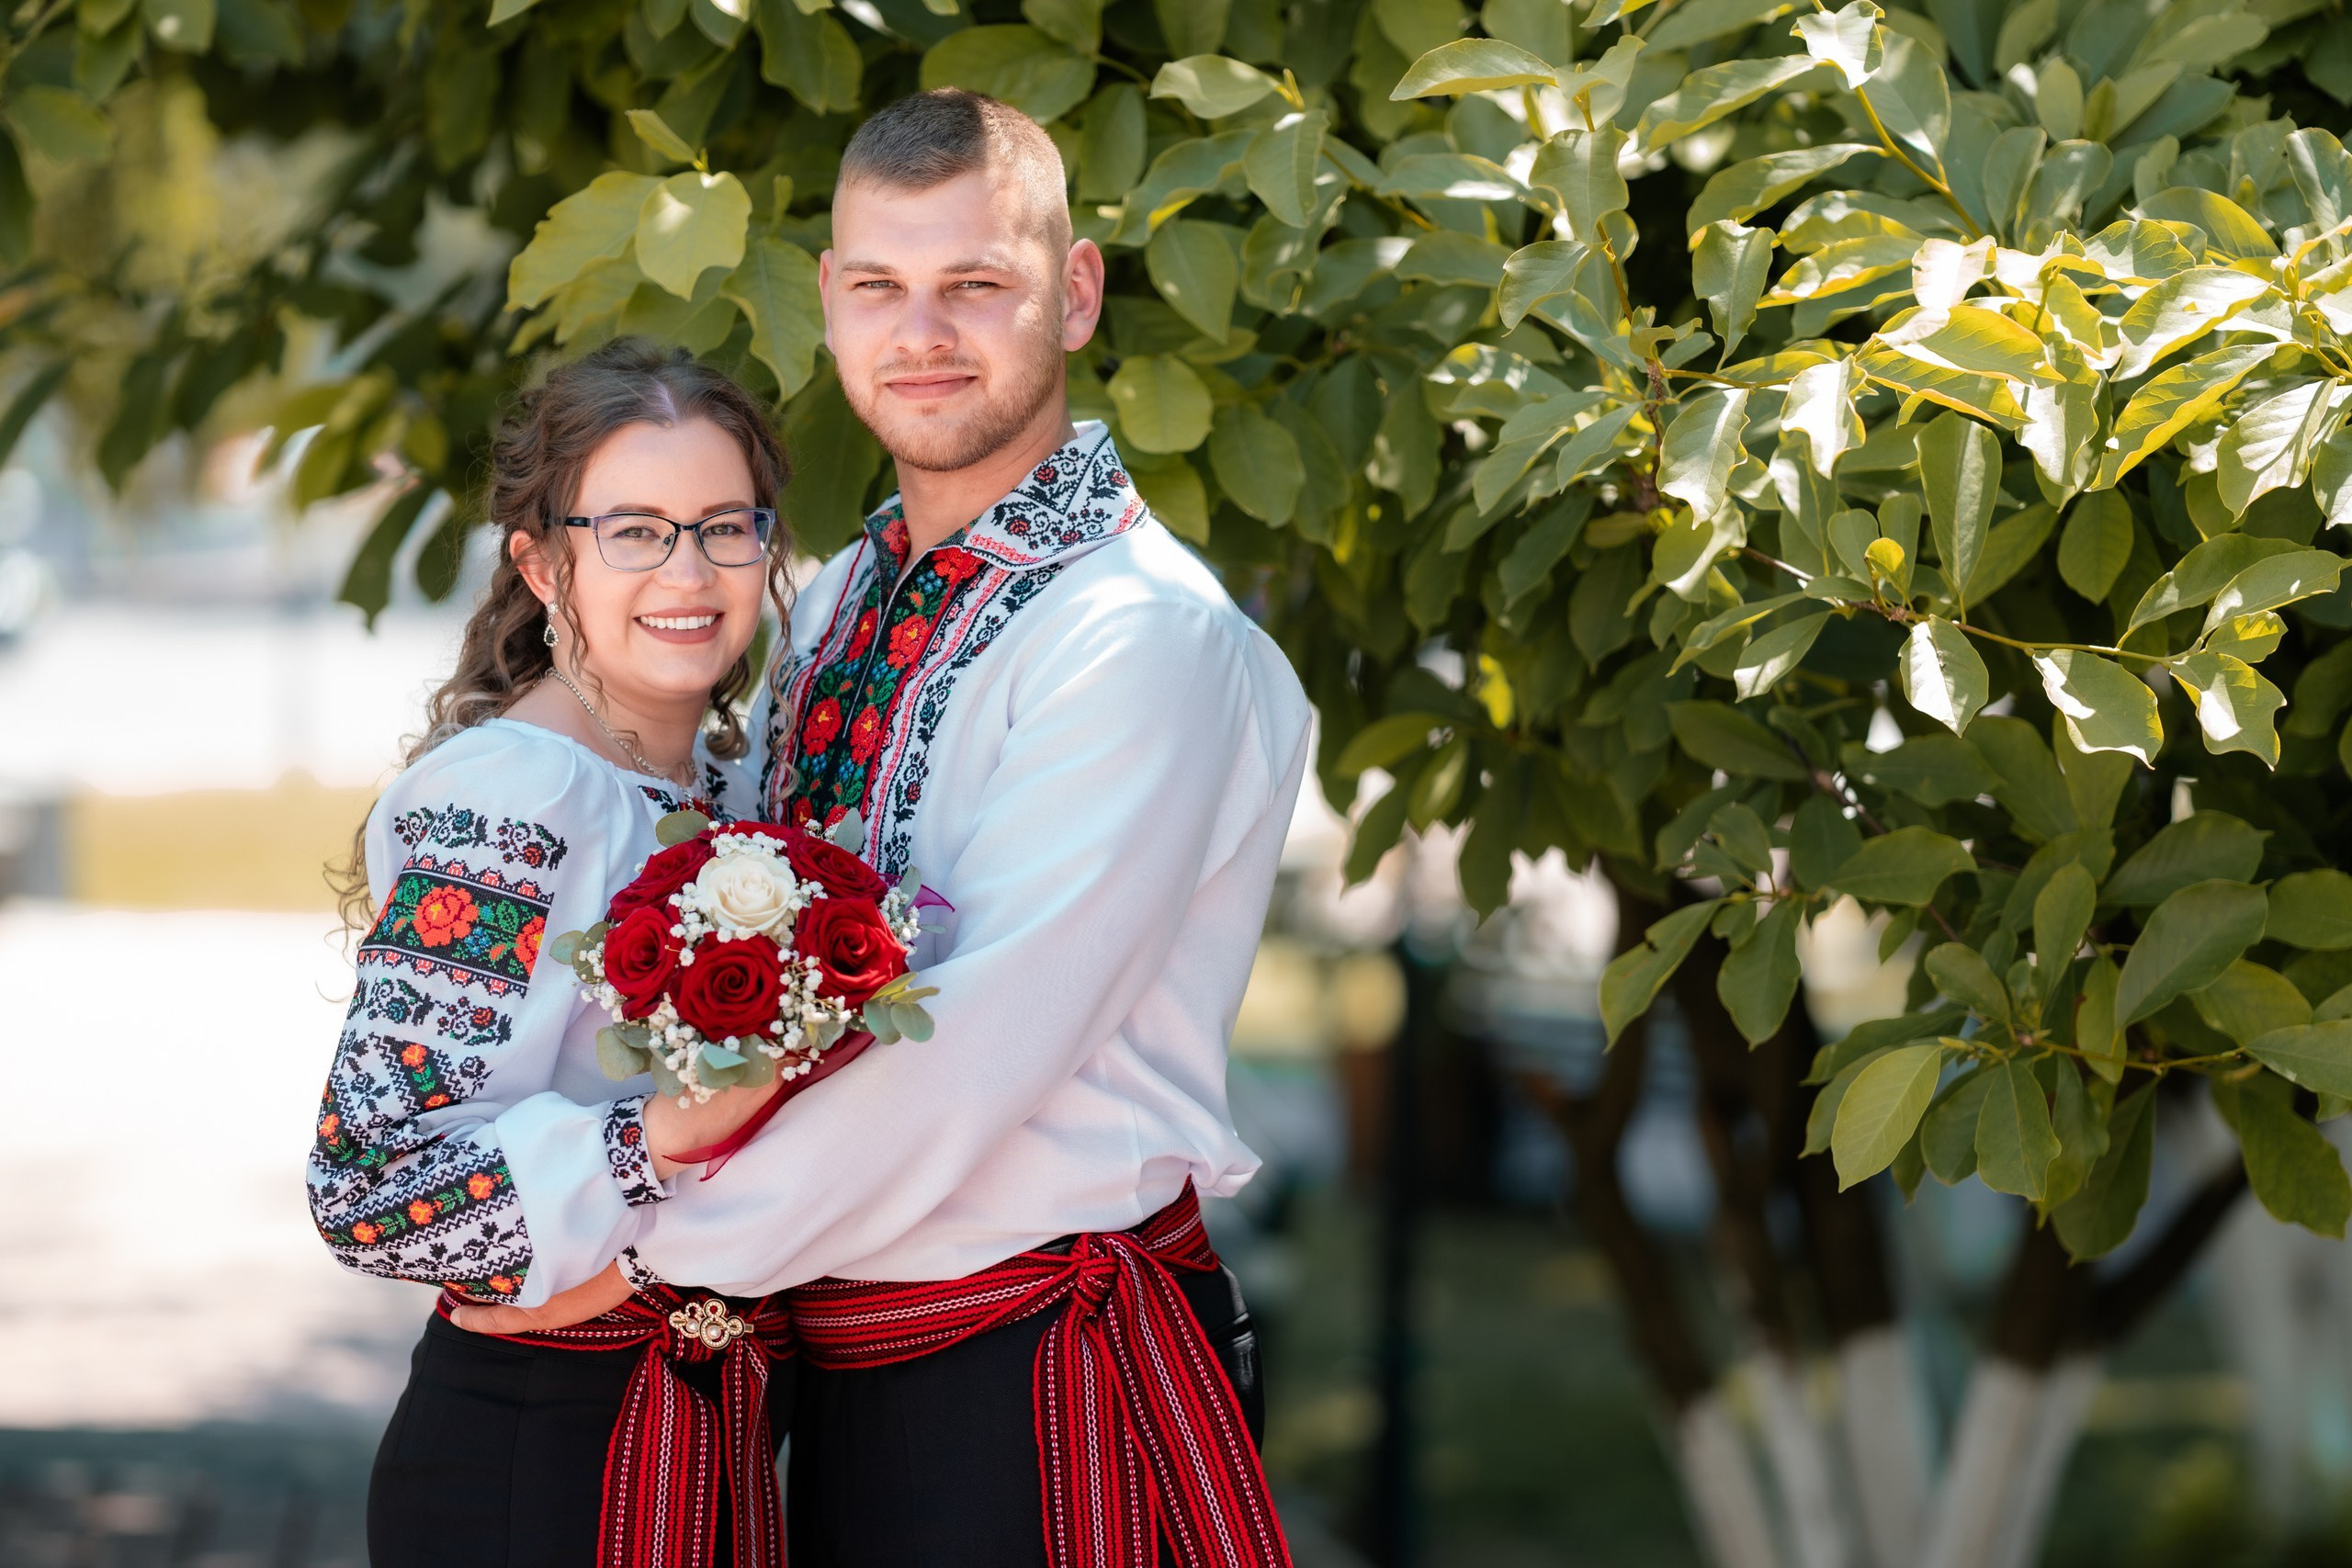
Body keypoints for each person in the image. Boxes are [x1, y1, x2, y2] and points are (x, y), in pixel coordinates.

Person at [462, 88, 1313, 1567]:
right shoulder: (846, 599)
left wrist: (619, 1249)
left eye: (977, 284)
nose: (923, 332)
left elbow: (969, 1052)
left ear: (1078, 292)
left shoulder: (1138, 638)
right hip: (832, 1356)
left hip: (1037, 1370)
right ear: (830, 306)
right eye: (879, 287)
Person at [312, 341, 808, 1568]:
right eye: (634, 531)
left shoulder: (722, 779)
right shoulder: (511, 801)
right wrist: (666, 1146)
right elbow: (369, 1191)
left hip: (701, 1426)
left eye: (723, 527)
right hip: (538, 1463)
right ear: (543, 564)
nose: (689, 573)